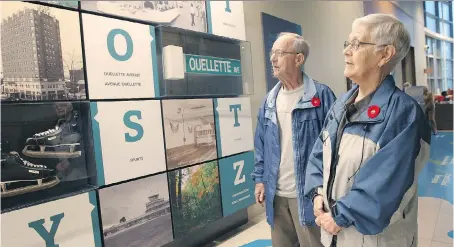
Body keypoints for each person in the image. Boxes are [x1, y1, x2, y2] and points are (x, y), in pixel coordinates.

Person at [304, 14, 431, 247]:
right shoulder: (341, 105)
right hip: (334, 235)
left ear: (385, 54)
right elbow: (319, 154)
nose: (346, 51)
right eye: (347, 43)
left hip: (376, 240)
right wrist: (318, 193)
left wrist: (341, 215)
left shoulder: (403, 114)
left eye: (356, 44)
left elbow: (385, 184)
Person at [252, 32, 336, 247]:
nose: (272, 58)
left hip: (309, 197)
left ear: (298, 59)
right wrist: (260, 179)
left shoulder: (322, 97)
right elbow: (260, 144)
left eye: (279, 53)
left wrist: (326, 192)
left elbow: (334, 147)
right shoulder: (269, 101)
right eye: (272, 53)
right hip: (276, 196)